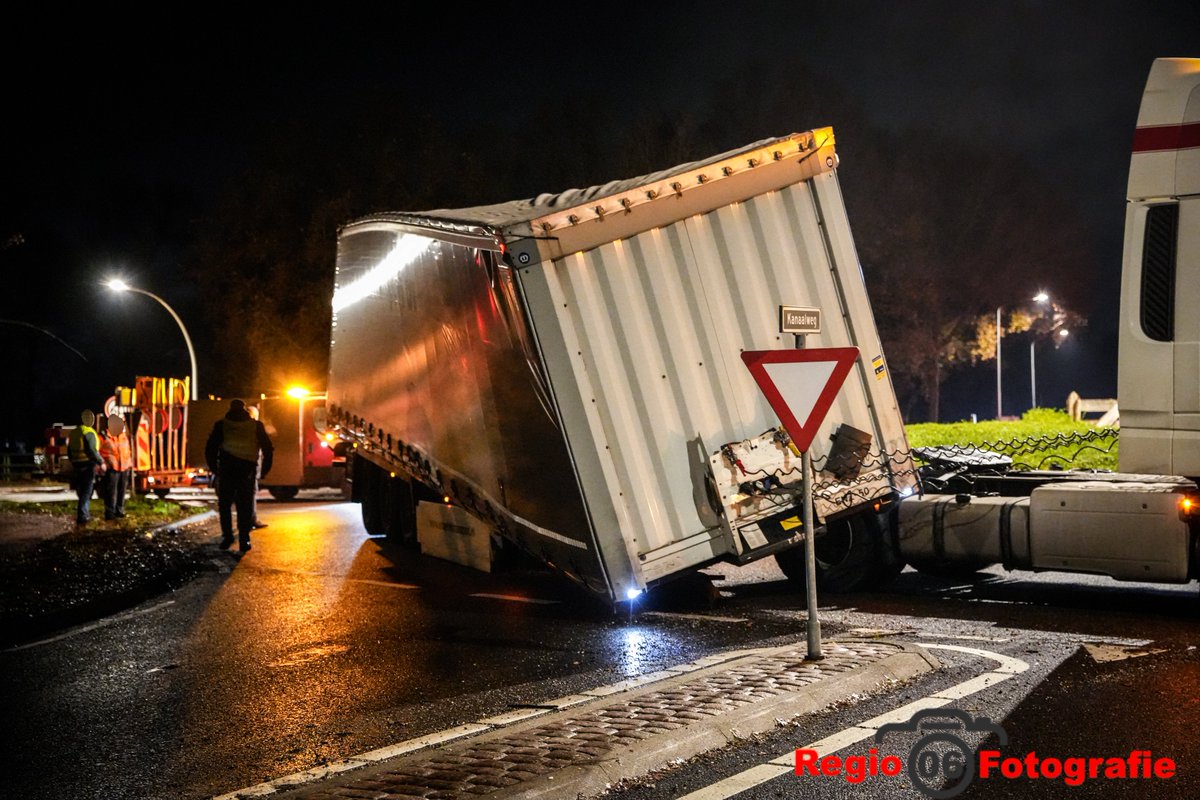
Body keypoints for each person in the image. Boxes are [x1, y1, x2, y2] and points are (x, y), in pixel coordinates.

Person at [205, 398, 274, 552]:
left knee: (225, 505)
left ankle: (227, 537)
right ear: (244, 409)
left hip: (226, 470)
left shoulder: (222, 425)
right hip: (247, 471)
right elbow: (268, 449)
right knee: (245, 506)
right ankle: (244, 539)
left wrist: (214, 469)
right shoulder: (255, 426)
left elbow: (210, 448)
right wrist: (265, 470)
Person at [66, 409, 106, 526]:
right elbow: (92, 450)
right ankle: (83, 515)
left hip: (77, 466)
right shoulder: (89, 432)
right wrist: (101, 462)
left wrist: (73, 462)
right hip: (87, 466)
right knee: (86, 492)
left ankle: (83, 513)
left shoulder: (74, 432)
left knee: (81, 491)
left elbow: (69, 451)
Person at [98, 413, 133, 520]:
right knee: (111, 492)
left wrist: (129, 464)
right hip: (112, 468)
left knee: (122, 490)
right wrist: (103, 464)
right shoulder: (103, 436)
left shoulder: (124, 436)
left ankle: (119, 510)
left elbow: (127, 451)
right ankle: (110, 513)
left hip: (124, 467)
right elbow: (97, 451)